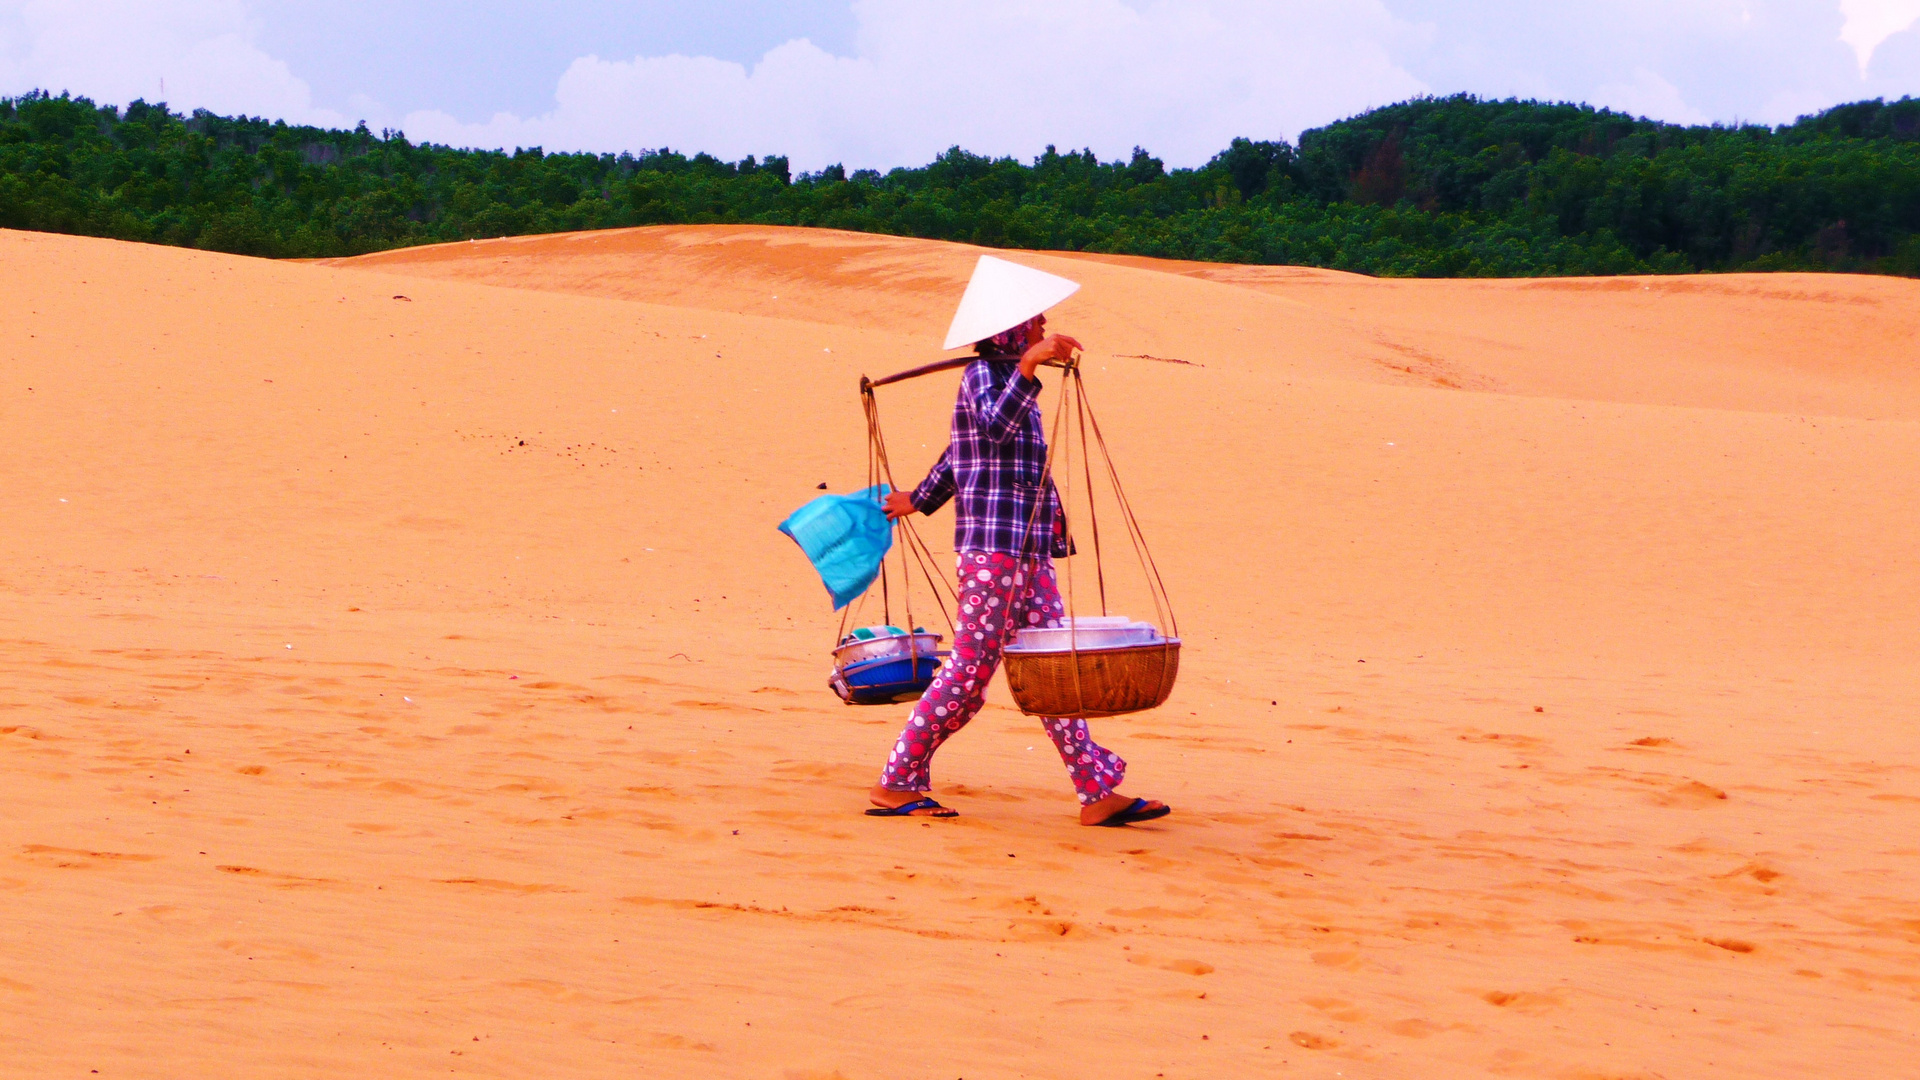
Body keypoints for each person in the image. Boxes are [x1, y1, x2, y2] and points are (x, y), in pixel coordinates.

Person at [865, 311, 1171, 827]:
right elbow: (992, 429)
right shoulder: (983, 377)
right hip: (992, 553)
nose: (1044, 327)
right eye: (1034, 323)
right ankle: (897, 781)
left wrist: (918, 498)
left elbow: (961, 455)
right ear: (1008, 331)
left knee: (1054, 670)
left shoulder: (1012, 384)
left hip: (1029, 551)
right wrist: (1029, 366)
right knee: (967, 675)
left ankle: (1095, 792)